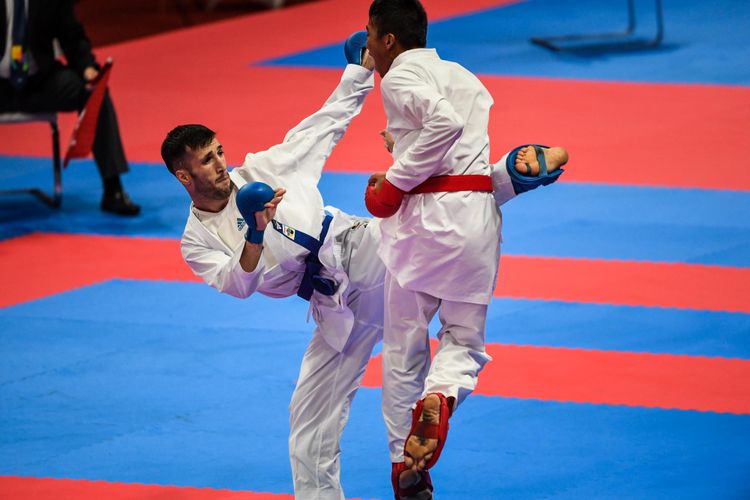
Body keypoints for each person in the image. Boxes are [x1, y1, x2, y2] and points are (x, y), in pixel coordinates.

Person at [161, 33, 566, 499]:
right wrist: (254, 231)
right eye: (207, 161)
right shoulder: (196, 241)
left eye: (218, 152)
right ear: (184, 177)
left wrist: (360, 71)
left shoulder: (262, 169)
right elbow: (239, 284)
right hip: (332, 306)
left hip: (360, 250)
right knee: (309, 423)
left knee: (419, 216)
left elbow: (323, 125)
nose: (220, 165)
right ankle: (500, 181)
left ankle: (505, 178)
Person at [362, 1, 565, 497]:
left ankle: (401, 464)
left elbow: (443, 124)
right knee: (463, 342)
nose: (367, 43)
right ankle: (440, 396)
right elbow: (454, 136)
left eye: (370, 34)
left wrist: (394, 179)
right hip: (477, 219)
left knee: (404, 350)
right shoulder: (467, 77)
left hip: (424, 224)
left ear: (388, 39)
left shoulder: (398, 78)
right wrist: (401, 144)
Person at [0, 0, 140, 215]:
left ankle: (113, 189)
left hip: (39, 82)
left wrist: (87, 69)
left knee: (95, 92)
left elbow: (72, 35)